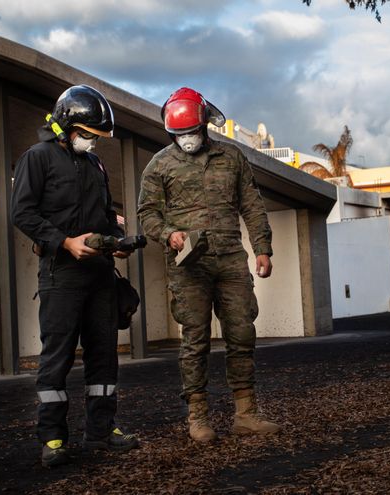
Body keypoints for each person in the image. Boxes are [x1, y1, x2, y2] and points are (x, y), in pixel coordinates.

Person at [137, 87, 281, 443]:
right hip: (188, 265)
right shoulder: (160, 165)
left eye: (191, 132)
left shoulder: (232, 157)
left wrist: (263, 247)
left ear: (204, 125)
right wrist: (168, 233)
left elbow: (252, 204)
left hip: (231, 258)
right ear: (171, 132)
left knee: (242, 334)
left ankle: (246, 414)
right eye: (179, 135)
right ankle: (197, 417)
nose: (187, 140)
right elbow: (147, 213)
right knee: (195, 340)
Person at [11, 84, 140, 467]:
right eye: (88, 135)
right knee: (57, 358)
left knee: (104, 357)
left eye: (97, 138)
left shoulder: (95, 165)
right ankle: (52, 439)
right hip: (62, 275)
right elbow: (23, 214)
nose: (92, 142)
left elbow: (102, 216)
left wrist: (116, 240)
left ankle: (102, 430)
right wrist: (65, 242)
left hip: (101, 276)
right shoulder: (37, 158)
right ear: (65, 126)